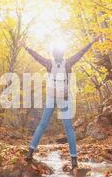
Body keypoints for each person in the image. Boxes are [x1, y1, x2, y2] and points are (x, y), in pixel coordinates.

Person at [21, 36, 100, 169]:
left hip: (52, 97)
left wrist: (26, 47)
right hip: (63, 98)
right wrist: (92, 42)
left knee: (42, 125)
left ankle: (30, 152)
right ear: (63, 55)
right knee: (69, 129)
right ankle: (74, 160)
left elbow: (36, 56)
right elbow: (81, 52)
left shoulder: (49, 63)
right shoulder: (68, 63)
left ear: (53, 55)